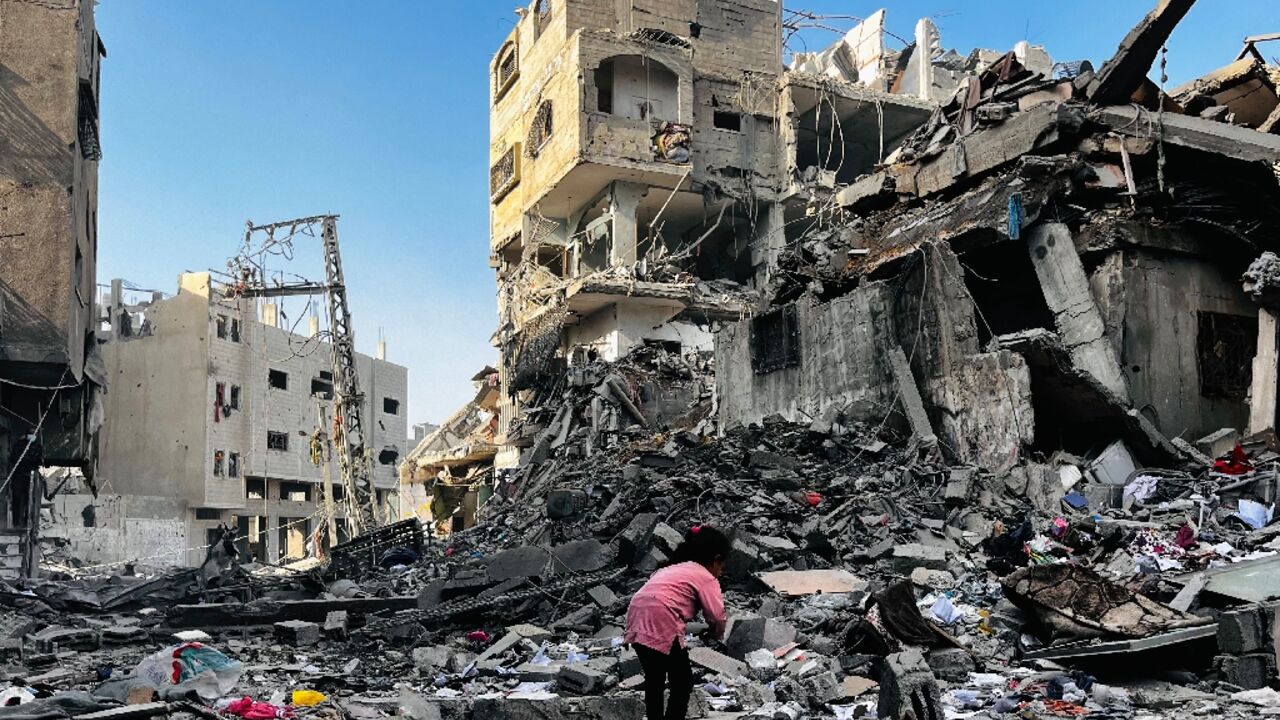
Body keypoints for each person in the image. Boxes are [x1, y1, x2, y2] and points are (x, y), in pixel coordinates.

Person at [624, 524, 730, 720]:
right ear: (716, 560)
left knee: (654, 679)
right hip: (662, 618)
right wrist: (716, 635)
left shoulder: (669, 569)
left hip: (636, 616)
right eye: (721, 566)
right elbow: (716, 616)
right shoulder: (706, 577)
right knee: (682, 682)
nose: (720, 572)